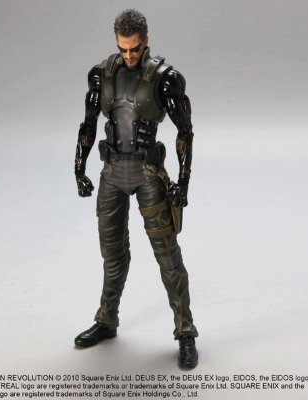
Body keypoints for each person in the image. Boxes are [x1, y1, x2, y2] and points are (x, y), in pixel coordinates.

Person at [74, 9, 198, 369]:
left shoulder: (165, 79)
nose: (129, 56)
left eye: (135, 49)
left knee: (167, 256)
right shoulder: (101, 75)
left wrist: (183, 182)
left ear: (146, 42)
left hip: (147, 173)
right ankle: (106, 320)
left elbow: (185, 132)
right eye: (123, 49)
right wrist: (79, 169)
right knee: (112, 254)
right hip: (112, 172)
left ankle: (186, 331)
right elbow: (87, 124)